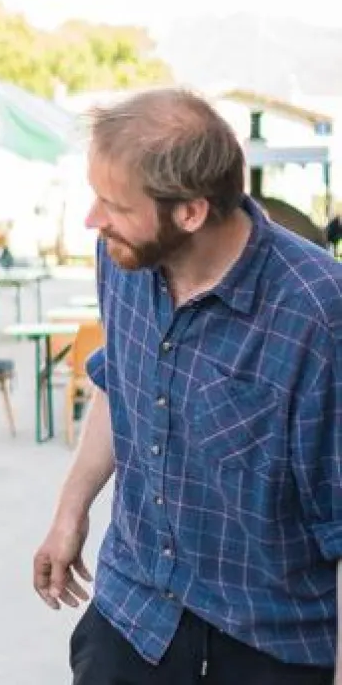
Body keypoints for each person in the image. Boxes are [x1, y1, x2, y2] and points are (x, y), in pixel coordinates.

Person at [32, 88, 342, 684]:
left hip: (267, 645)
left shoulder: (316, 316)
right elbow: (119, 383)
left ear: (190, 212)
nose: (93, 221)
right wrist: (71, 510)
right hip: (133, 615)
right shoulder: (122, 256)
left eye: (113, 205)